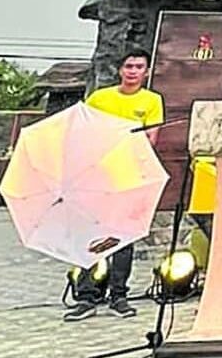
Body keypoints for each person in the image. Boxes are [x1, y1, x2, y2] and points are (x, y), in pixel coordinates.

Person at [69, 48, 165, 320]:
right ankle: (86, 295)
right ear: (120, 70)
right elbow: (84, 132)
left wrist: (116, 140)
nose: (133, 71)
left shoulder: (152, 100)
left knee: (124, 236)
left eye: (138, 67)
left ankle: (119, 294)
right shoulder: (100, 98)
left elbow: (150, 139)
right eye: (129, 66)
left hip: (129, 176)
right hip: (96, 175)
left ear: (146, 72)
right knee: (90, 234)